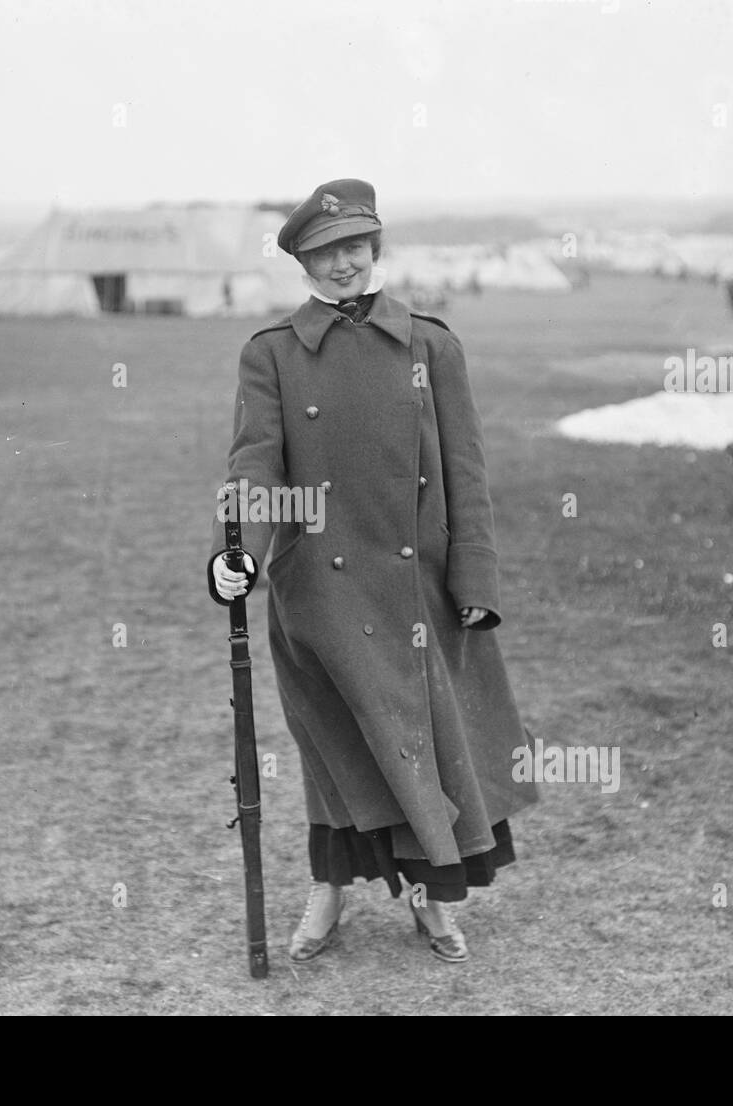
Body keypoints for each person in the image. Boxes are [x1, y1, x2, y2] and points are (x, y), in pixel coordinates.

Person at [206, 179, 538, 965]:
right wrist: (241, 554)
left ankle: (429, 899)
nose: (343, 263)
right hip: (318, 588)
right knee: (335, 748)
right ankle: (328, 892)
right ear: (304, 263)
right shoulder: (272, 356)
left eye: (355, 246)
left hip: (414, 589)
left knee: (422, 744)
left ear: (377, 248)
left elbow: (467, 473)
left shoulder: (432, 346)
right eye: (326, 252)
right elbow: (255, 468)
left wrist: (475, 584)